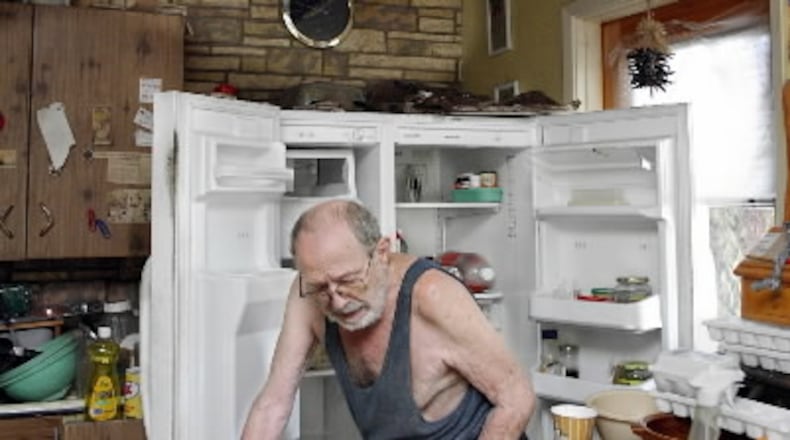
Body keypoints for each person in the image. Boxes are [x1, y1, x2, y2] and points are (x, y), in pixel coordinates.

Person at [242, 199, 535, 439]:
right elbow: (273, 405)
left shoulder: (432, 296)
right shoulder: (307, 296)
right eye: (321, 287)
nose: (338, 300)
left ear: (382, 252)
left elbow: (516, 397)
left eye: (350, 280)